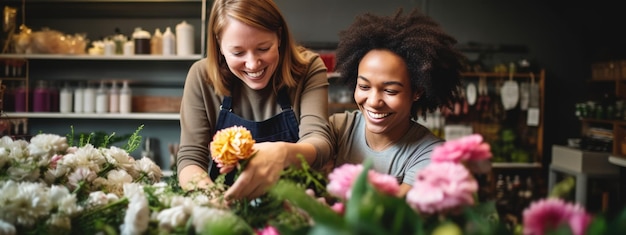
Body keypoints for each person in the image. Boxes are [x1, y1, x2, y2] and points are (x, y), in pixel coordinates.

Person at [176, 0, 333, 200]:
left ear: (279, 36)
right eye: (238, 52)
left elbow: (320, 142)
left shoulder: (308, 67)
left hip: (298, 207)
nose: (252, 64)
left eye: (263, 48)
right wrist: (213, 199)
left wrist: (281, 153)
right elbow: (191, 158)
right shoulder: (201, 76)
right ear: (219, 44)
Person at [329, 8, 466, 197]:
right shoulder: (338, 128)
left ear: (417, 91)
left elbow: (394, 215)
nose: (374, 101)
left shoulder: (430, 153)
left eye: (390, 91)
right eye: (364, 86)